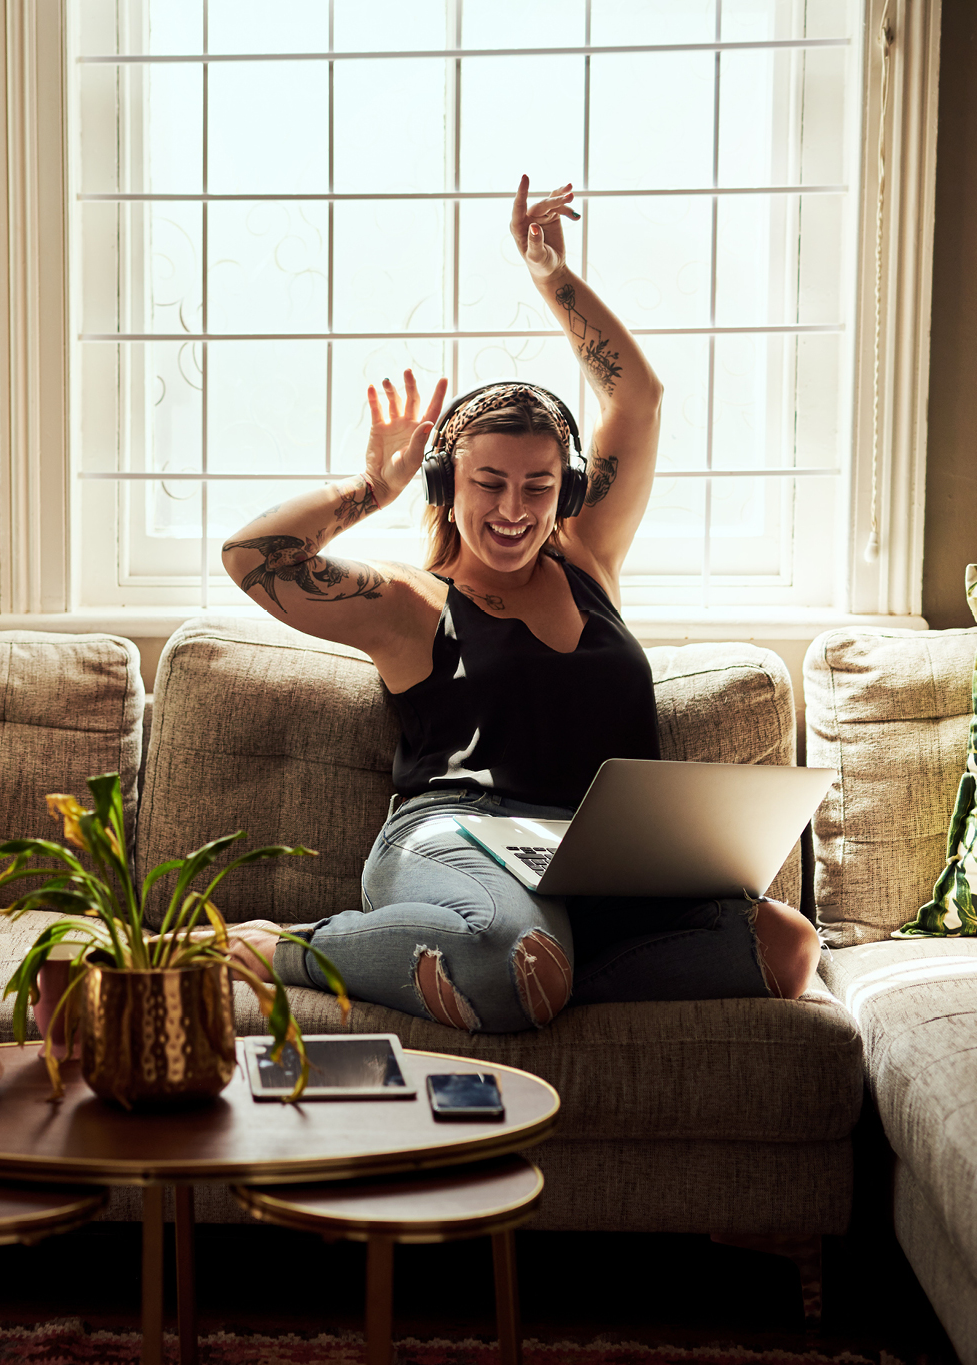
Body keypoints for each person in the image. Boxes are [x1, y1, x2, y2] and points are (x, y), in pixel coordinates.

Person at [218, 174, 821, 1032]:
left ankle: (547, 973)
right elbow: (252, 556)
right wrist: (366, 486)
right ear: (446, 483)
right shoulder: (408, 602)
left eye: (537, 486)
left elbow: (636, 400)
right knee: (507, 959)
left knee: (786, 947)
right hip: (456, 837)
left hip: (589, 857)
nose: (512, 509)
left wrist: (552, 278)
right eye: (488, 483)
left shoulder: (588, 559)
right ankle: (277, 949)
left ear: (566, 489)